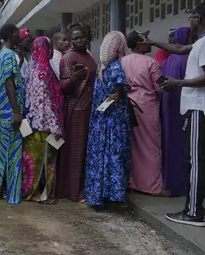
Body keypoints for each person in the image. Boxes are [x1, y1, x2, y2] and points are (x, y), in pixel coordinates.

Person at [152, 2, 205, 227]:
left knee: (195, 161)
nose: (190, 21)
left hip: (200, 108)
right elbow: (181, 49)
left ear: (199, 19)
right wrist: (153, 42)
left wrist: (178, 83)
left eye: (192, 17)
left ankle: (193, 212)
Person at [84, 31, 131, 206]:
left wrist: (100, 108)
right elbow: (116, 95)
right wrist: (109, 102)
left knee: (99, 155)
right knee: (115, 154)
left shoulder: (101, 67)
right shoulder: (116, 66)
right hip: (113, 120)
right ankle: (114, 196)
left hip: (99, 120)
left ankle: (97, 194)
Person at [121, 30, 170, 196]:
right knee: (151, 145)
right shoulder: (151, 63)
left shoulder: (122, 61)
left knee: (132, 144)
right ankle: (152, 186)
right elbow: (160, 87)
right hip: (146, 105)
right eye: (146, 40)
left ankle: (132, 181)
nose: (149, 43)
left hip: (127, 103)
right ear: (139, 44)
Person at [56, 24, 97, 202]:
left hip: (90, 107)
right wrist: (74, 78)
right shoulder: (68, 57)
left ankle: (82, 187)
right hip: (76, 109)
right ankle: (72, 191)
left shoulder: (88, 55)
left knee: (86, 151)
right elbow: (62, 86)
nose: (79, 40)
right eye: (75, 38)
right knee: (75, 151)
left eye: (82, 37)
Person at [22, 36, 64, 203]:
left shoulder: (32, 69)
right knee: (47, 160)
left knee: (33, 160)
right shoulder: (44, 71)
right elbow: (44, 102)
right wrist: (55, 126)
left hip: (30, 124)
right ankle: (46, 194)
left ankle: (32, 192)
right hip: (45, 125)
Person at [0, 23, 24, 204]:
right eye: (18, 33)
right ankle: (13, 196)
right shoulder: (10, 55)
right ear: (11, 34)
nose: (20, 35)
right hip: (10, 111)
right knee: (13, 155)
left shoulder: (1, 55)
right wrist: (17, 112)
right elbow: (9, 83)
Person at [160, 27, 192, 197]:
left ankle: (171, 181)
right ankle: (184, 184)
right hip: (184, 105)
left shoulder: (169, 60)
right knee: (184, 145)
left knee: (170, 143)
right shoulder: (189, 58)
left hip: (168, 104)